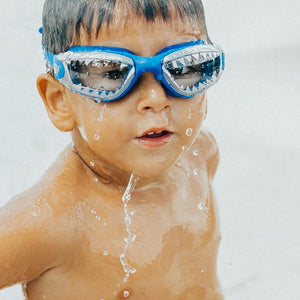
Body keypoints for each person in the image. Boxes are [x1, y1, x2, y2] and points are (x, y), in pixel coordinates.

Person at [0, 0, 225, 299]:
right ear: (59, 101)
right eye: (111, 74)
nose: (156, 98)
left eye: (183, 67)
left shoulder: (202, 156)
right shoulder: (47, 223)